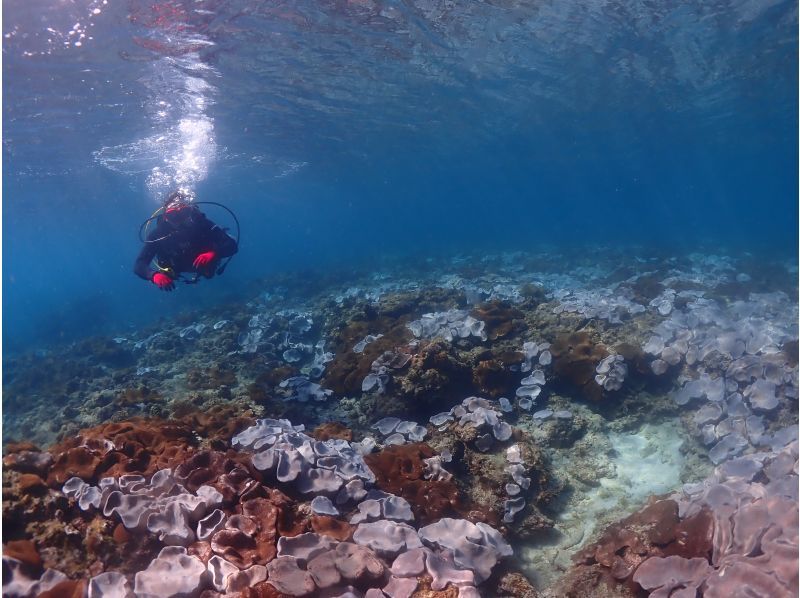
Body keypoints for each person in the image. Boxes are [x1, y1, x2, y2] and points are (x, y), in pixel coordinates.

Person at [134, 190, 238, 291]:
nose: (179, 221)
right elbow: (139, 264)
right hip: (175, 267)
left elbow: (232, 245)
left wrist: (215, 253)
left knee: (210, 271)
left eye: (183, 213)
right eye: (173, 216)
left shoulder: (202, 224)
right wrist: (153, 275)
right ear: (165, 217)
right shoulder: (158, 234)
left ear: (190, 211)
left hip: (205, 264)